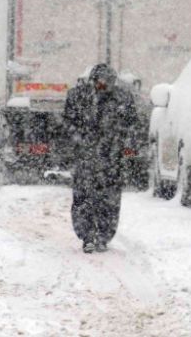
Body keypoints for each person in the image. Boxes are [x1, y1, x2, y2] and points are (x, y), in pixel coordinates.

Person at [64, 63, 139, 253]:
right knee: (84, 198)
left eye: (107, 82)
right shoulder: (79, 96)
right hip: (86, 158)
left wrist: (119, 143)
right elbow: (68, 123)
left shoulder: (122, 99)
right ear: (93, 81)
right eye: (100, 82)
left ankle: (103, 236)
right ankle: (87, 236)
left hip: (111, 160)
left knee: (109, 201)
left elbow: (132, 125)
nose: (103, 86)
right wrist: (80, 142)